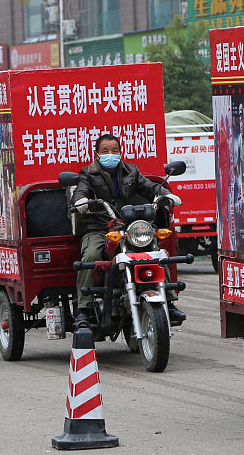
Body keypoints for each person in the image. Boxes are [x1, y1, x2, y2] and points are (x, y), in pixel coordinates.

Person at [71, 133, 185, 327]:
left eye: (114, 151)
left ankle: (169, 299)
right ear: (97, 154)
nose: (110, 154)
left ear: (120, 152)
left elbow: (149, 187)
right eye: (105, 151)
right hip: (100, 227)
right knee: (90, 255)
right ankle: (84, 308)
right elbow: (81, 190)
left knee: (157, 251)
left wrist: (166, 194)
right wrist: (81, 201)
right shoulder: (87, 174)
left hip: (129, 225)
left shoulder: (132, 171)